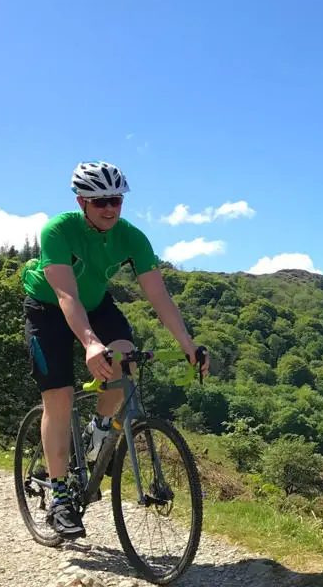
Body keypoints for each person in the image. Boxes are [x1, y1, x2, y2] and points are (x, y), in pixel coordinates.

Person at [21, 161, 209, 539]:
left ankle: (99, 431)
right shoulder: (58, 230)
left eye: (116, 201)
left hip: (96, 304)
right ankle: (59, 496)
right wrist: (90, 344)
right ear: (82, 202)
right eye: (101, 200)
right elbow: (65, 294)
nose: (110, 208)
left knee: (124, 358)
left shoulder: (132, 237)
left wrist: (187, 344)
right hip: (47, 308)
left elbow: (158, 294)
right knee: (60, 396)